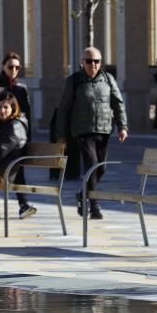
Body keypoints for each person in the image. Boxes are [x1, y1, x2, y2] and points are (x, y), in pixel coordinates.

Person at [55, 47, 128, 220]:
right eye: (89, 61)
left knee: (101, 168)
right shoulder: (74, 81)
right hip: (82, 131)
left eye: (96, 61)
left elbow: (118, 104)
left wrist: (122, 126)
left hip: (103, 130)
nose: (93, 65)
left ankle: (83, 194)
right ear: (82, 63)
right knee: (92, 164)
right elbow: (63, 108)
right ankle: (94, 206)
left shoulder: (108, 79)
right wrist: (61, 134)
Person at [0, 51, 36, 218]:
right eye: (11, 67)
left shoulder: (22, 88)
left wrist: (26, 140)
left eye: (18, 67)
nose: (14, 70)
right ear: (3, 67)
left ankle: (23, 205)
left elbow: (27, 115)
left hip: (16, 137)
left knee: (18, 168)